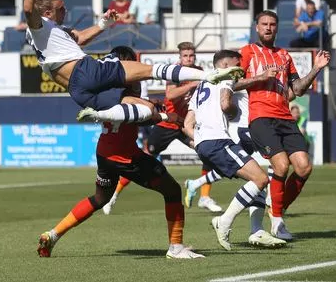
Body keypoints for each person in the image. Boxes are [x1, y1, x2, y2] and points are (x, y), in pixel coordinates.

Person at [23, 0, 243, 127]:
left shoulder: (52, 33)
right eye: (61, 8)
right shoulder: (39, 26)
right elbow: (27, 9)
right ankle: (209, 75)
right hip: (85, 71)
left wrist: (103, 24)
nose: (66, 10)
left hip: (78, 91)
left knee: (146, 109)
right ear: (47, 12)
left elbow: (79, 38)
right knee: (150, 70)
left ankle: (101, 115)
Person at [36, 47, 204, 259]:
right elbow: (137, 115)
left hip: (105, 152)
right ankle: (176, 247)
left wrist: (157, 110)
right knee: (172, 191)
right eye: (132, 63)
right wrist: (162, 116)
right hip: (124, 155)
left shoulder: (105, 90)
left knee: (100, 198)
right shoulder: (123, 91)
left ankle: (53, 234)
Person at [236, 10, 330, 241]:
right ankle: (277, 223)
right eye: (264, 24)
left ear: (277, 28)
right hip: (260, 117)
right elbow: (233, 83)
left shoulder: (285, 56)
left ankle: (276, 207)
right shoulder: (247, 53)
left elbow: (297, 89)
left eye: (272, 24)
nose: (268, 28)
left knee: (304, 167)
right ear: (256, 27)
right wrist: (259, 77)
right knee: (281, 165)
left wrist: (316, 68)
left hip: (285, 117)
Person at [183, 49, 287, 251]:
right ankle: (225, 221)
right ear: (224, 65)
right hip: (218, 140)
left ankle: (256, 230)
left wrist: (200, 141)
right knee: (261, 179)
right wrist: (233, 111)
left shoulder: (201, 86)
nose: (240, 70)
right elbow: (225, 104)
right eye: (237, 65)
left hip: (205, 144)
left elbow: (187, 124)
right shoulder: (226, 79)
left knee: (257, 179)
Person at [102, 42, 222, 214]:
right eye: (185, 55)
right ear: (180, 57)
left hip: (184, 123)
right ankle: (113, 196)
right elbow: (170, 95)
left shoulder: (198, 72)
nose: (189, 58)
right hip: (167, 123)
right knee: (144, 157)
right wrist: (191, 85)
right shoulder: (176, 72)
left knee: (207, 151)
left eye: (191, 55)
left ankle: (204, 196)